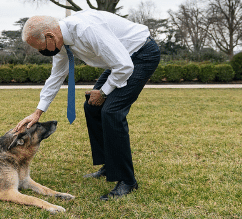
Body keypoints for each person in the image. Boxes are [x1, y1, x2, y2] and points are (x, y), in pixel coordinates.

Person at [15, 9, 160, 200]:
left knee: (112, 112)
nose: (41, 52)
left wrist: (104, 92)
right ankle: (110, 165)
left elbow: (125, 66)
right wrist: (37, 113)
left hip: (140, 55)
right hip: (121, 60)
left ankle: (127, 181)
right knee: (93, 107)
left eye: (40, 48)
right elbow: (56, 76)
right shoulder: (61, 43)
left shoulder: (87, 30)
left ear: (50, 36)